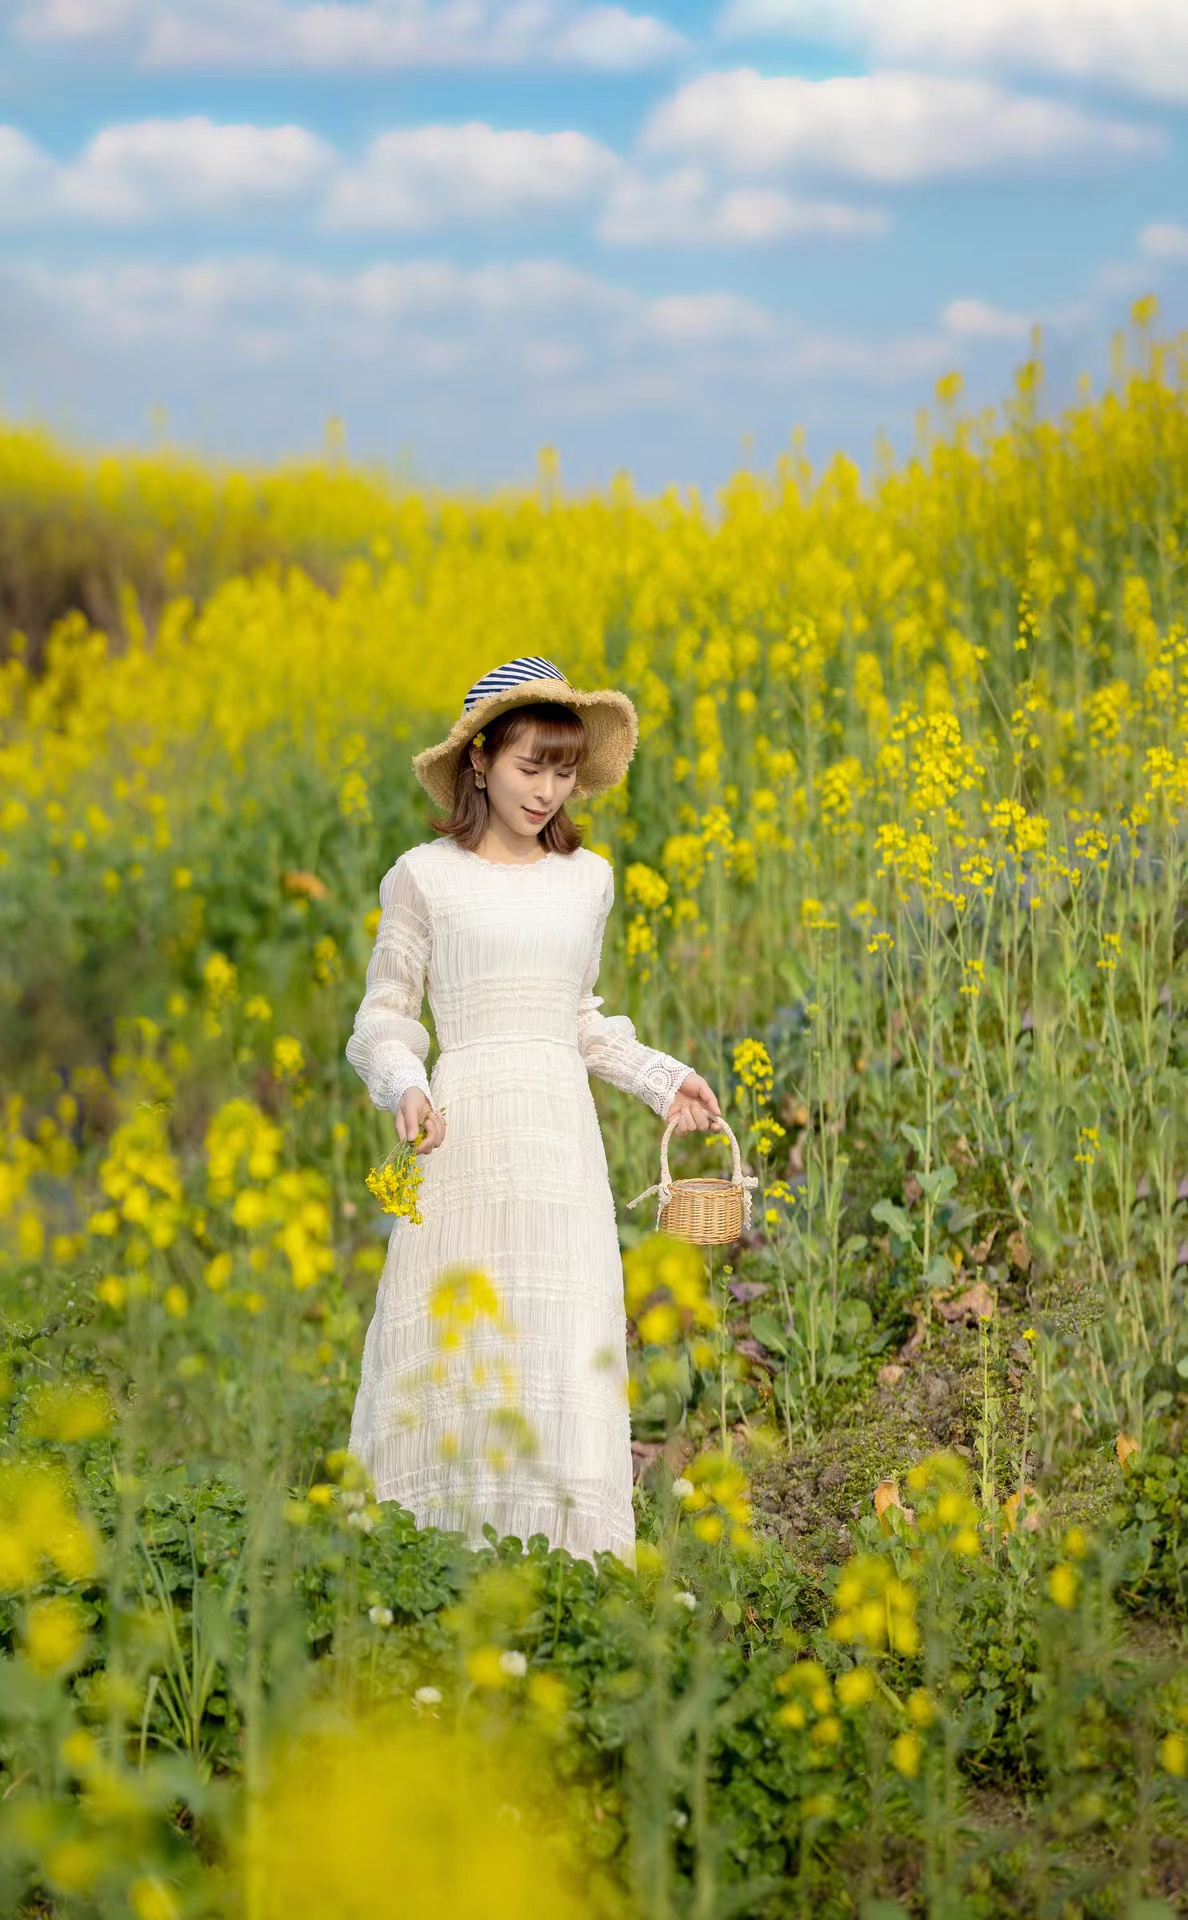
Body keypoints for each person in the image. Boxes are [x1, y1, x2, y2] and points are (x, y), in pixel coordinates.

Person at [344, 655, 721, 1570]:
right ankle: (428, 1572)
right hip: (463, 1137)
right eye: (530, 767)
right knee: (458, 1338)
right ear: (478, 761)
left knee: (558, 1342)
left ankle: (566, 1580)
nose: (548, 790)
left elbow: (578, 1018)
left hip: (559, 1143)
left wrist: (662, 1078)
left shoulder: (587, 879)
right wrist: (407, 1084)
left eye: (564, 770)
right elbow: (385, 1015)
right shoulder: (422, 878)